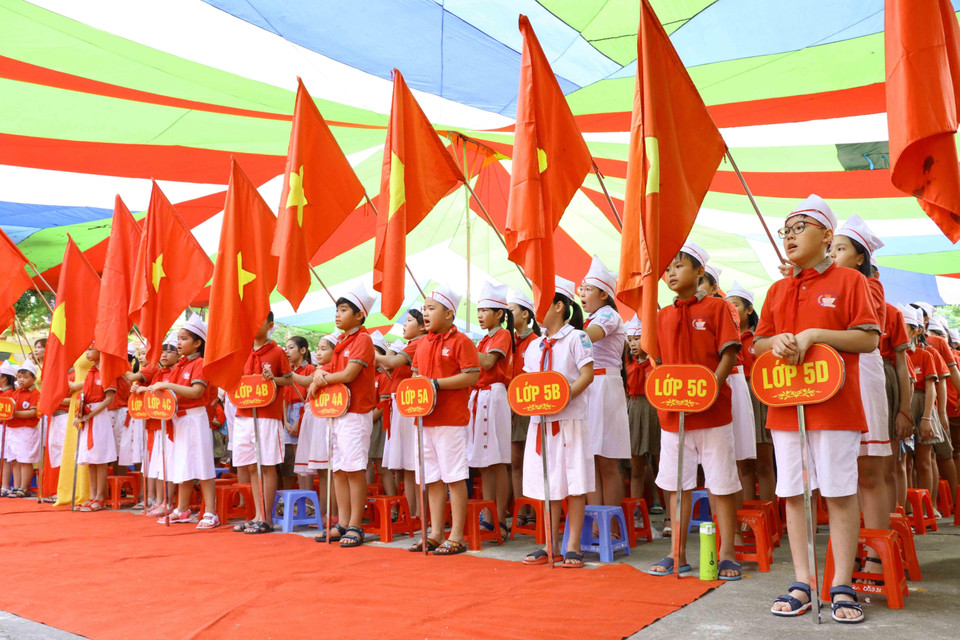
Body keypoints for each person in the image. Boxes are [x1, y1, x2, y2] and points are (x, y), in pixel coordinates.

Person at [755, 195, 879, 623]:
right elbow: (758, 345)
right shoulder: (776, 289)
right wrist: (779, 343)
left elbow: (867, 338)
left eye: (799, 227)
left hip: (835, 407)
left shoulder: (850, 282)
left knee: (840, 491)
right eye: (785, 230)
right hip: (786, 405)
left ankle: (842, 584)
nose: (789, 236)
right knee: (792, 493)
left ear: (827, 235)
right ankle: (803, 582)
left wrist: (812, 334)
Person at [649, 241, 742, 581]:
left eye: (679, 265)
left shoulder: (718, 308)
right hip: (673, 414)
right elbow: (656, 361)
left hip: (713, 411)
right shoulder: (661, 315)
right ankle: (677, 554)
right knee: (677, 483)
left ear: (699, 271)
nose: (671, 273)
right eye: (668, 268)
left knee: (721, 482)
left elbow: (729, 354)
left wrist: (710, 389)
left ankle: (727, 553)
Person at [830, 215, 894, 562]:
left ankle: (875, 551)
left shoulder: (869, 287)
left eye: (841, 248)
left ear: (860, 257)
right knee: (843, 471)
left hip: (862, 374)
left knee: (868, 471)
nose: (834, 254)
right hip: (832, 378)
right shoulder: (828, 284)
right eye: (831, 248)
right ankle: (850, 547)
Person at [520, 277, 595, 568]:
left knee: (574, 482)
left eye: (543, 303)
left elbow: (586, 375)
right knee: (547, 483)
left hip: (570, 420)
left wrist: (564, 398)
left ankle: (572, 545)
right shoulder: (534, 345)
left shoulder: (577, 338)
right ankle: (549, 544)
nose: (537, 309)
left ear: (559, 306)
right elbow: (528, 382)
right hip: (541, 423)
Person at [408, 283, 480, 555]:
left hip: (451, 420)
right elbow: (416, 378)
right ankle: (436, 533)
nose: (425, 313)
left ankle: (457, 535)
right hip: (425, 420)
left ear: (449, 314)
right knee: (433, 478)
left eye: (431, 308)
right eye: (424, 308)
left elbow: (472, 376)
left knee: (454, 477)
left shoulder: (461, 341)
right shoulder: (422, 343)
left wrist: (435, 384)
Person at [308, 286, 376, 547]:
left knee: (354, 469)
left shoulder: (363, 340)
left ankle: (356, 525)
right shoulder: (342, 342)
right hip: (336, 413)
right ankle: (343, 522)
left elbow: (349, 375)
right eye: (337, 309)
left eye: (344, 309)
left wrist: (321, 379)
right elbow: (328, 369)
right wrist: (318, 374)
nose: (338, 314)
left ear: (359, 316)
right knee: (338, 469)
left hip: (356, 412)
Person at [144, 315, 218, 529]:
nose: (179, 343)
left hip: (195, 418)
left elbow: (197, 392)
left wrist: (168, 387)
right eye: (179, 338)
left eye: (184, 338)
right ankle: (182, 508)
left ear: (198, 343)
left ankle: (211, 512)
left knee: (203, 465)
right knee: (182, 465)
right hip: (179, 421)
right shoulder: (179, 366)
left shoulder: (200, 364)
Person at [230, 311, 293, 534]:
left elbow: (288, 378)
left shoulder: (277, 352)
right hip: (244, 413)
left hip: (267, 415)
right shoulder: (242, 351)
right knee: (249, 465)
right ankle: (257, 514)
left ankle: (267, 517)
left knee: (266, 465)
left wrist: (272, 378)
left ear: (270, 325)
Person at [579, 256, 630, 514]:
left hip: (605, 386)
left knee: (608, 460)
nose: (583, 294)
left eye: (588, 289)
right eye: (582, 289)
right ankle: (596, 523)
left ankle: (609, 524)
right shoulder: (590, 318)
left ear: (603, 293)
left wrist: (562, 333)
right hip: (589, 386)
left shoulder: (608, 315)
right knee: (591, 459)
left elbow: (588, 339)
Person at [468, 282, 514, 538]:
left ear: (499, 313)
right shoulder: (484, 338)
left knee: (498, 460)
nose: (480, 314)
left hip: (495, 396)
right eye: (479, 310)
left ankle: (501, 517)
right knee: (484, 463)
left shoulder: (502, 336)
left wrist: (466, 349)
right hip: (480, 397)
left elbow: (486, 362)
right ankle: (488, 515)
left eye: (486, 310)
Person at [725, 282, 775, 502]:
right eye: (727, 306)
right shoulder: (726, 337)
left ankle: (769, 513)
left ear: (749, 309)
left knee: (764, 462)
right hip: (736, 395)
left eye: (735, 305)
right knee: (742, 462)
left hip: (759, 397)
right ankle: (747, 514)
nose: (731, 310)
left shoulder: (760, 338)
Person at [376, 309, 428, 521]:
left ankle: (419, 514)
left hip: (412, 404)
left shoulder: (418, 343)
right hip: (401, 404)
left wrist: (371, 353)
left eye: (408, 321)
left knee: (415, 462)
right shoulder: (410, 344)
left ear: (422, 325)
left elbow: (393, 363)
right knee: (408, 465)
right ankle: (412, 513)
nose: (404, 325)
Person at [71, 346, 118, 512]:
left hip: (99, 417)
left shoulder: (107, 371)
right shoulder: (90, 372)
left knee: (100, 460)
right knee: (90, 460)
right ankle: (92, 496)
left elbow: (109, 398)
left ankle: (100, 497)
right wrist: (81, 414)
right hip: (87, 417)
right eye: (86, 350)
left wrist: (89, 415)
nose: (87, 353)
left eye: (91, 349)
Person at [508, 290, 540, 527]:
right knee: (515, 459)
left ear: (525, 314)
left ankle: (535, 508)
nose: (508, 316)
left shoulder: (535, 342)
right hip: (510, 403)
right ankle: (521, 507)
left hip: (530, 403)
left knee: (533, 458)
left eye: (511, 311)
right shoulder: (507, 341)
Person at [624, 316, 661, 513]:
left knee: (660, 460)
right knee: (636, 465)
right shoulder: (627, 364)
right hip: (634, 408)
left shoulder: (656, 364)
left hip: (655, 409)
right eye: (630, 339)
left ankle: (664, 506)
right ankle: (634, 510)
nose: (633, 343)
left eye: (637, 338)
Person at [306, 333, 340, 526]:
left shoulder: (332, 371)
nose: (318, 352)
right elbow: (305, 382)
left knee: (332, 471)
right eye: (317, 349)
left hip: (329, 421)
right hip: (318, 422)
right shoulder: (319, 371)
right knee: (323, 471)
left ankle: (334, 514)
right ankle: (324, 512)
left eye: (324, 349)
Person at [284, 336, 316, 492]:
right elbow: (284, 397)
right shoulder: (287, 370)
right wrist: (285, 420)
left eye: (291, 348)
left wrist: (298, 421)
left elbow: (309, 398)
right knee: (297, 458)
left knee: (303, 456)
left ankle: (308, 497)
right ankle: (303, 495)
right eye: (286, 348)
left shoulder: (310, 369)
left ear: (302, 350)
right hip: (288, 411)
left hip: (302, 410)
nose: (287, 351)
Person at [5, 360, 41, 497]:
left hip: (27, 430)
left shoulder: (35, 394)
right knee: (15, 460)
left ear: (34, 379)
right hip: (13, 429)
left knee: (25, 460)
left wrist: (15, 414)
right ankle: (17, 486)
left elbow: (33, 412)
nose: (21, 380)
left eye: (26, 377)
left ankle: (24, 488)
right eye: (19, 377)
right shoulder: (15, 393)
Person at [368, 330, 398, 497]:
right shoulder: (365, 375)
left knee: (381, 465)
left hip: (378, 423)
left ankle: (393, 504)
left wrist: (368, 420)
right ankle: (367, 505)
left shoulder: (383, 376)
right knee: (363, 464)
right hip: (366, 421)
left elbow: (383, 404)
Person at [0, 360, 18, 496]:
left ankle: (5, 486)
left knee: (5, 457)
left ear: (4, 378)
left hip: (5, 428)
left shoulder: (10, 394)